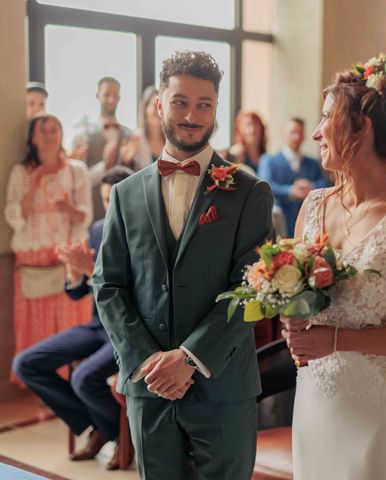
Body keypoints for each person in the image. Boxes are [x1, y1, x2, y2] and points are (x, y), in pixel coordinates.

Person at [93, 50, 274, 480]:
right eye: (179, 102)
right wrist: (147, 362)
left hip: (223, 387)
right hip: (148, 386)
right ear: (159, 105)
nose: (191, 115)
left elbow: (251, 287)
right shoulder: (125, 194)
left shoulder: (249, 192)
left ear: (216, 109)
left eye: (203, 104)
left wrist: (189, 358)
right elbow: (108, 285)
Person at [281, 54, 386, 480]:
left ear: (363, 128)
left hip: (381, 409)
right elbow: (298, 294)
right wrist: (290, 316)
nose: (318, 132)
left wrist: (338, 340)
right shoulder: (314, 205)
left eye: (327, 118)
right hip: (318, 397)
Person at [12, 166, 134, 471]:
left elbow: (138, 297)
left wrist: (90, 271)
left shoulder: (147, 233)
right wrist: (74, 273)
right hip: (96, 326)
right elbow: (80, 293)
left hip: (127, 330)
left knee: (83, 378)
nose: (110, 208)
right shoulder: (97, 229)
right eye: (106, 201)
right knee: (26, 364)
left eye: (115, 200)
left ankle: (120, 435)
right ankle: (101, 428)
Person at [5, 114, 93, 383]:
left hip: (67, 258)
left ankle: (73, 377)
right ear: (33, 137)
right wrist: (33, 185)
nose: (48, 135)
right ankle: (42, 380)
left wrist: (69, 209)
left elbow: (86, 216)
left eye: (54, 129)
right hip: (34, 259)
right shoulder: (21, 172)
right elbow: (15, 218)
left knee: (71, 323)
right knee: (37, 324)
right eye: (42, 130)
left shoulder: (76, 170)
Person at [70, 76, 136, 220]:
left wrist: (128, 162)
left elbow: (138, 178)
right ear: (97, 96)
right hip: (94, 213)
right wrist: (104, 165)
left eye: (115, 95)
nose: (112, 99)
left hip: (124, 214)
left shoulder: (129, 135)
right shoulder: (83, 135)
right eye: (107, 94)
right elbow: (79, 181)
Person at [258, 117, 328, 236]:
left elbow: (325, 183)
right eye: (293, 132)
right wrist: (291, 191)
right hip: (277, 225)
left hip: (308, 225)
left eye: (300, 133)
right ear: (284, 135)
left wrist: (311, 187)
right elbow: (265, 185)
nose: (297, 137)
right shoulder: (268, 161)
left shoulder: (313, 162)